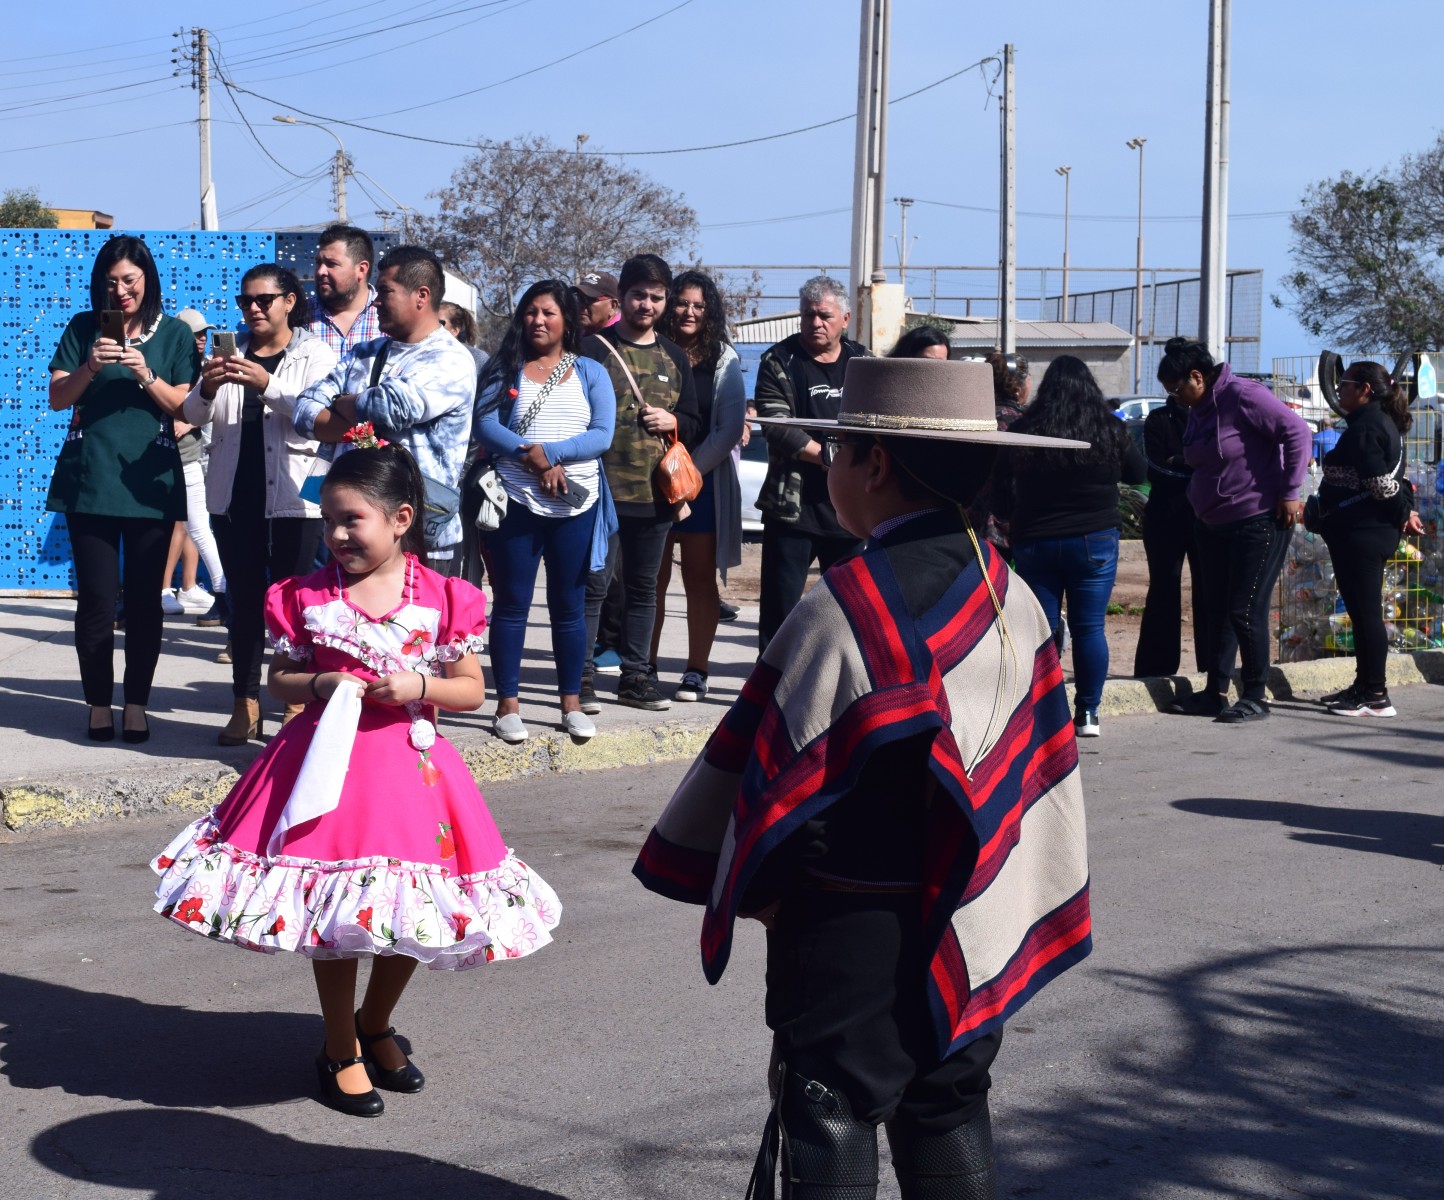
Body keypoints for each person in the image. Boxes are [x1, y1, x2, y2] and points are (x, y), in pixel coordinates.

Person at [633, 357, 1092, 1199]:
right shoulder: (1014, 594)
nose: (832, 466)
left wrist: (764, 890)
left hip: (852, 920)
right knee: (949, 1095)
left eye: (841, 450)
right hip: (974, 907)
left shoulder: (848, 603)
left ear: (874, 465)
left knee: (831, 1102)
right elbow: (1033, 776)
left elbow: (786, 784)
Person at [150, 440, 561, 1119]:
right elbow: (280, 680)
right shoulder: (306, 595)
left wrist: (419, 685)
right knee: (336, 909)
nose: (337, 535)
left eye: (352, 520)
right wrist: (319, 682)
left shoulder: (444, 597)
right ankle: (339, 1045)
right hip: (324, 770)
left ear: (400, 519)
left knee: (416, 907)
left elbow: (470, 690)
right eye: (329, 521)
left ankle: (375, 1021)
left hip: (411, 774)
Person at [46, 234, 201, 744]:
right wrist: (91, 364)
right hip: (89, 479)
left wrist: (146, 373)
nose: (120, 291)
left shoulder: (174, 334)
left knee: (144, 601)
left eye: (129, 280)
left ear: (147, 279)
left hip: (150, 483)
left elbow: (186, 408)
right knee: (94, 599)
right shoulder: (83, 327)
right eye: (111, 282)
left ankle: (136, 704)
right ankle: (97, 703)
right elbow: (57, 398)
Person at [183, 265, 339, 744]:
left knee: (294, 607)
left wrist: (266, 384)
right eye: (245, 300)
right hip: (234, 496)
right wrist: (208, 385)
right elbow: (190, 413)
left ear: (289, 301)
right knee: (244, 604)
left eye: (263, 299)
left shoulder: (314, 353)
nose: (253, 308)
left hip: (294, 499)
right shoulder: (230, 351)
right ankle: (245, 704)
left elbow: (319, 415)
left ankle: (295, 704)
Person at [474, 281, 616, 744]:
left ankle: (570, 704)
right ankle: (507, 706)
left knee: (569, 607)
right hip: (516, 500)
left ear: (567, 321)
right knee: (511, 604)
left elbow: (602, 435)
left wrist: (551, 455)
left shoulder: (591, 371)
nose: (538, 320)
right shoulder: (505, 368)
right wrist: (530, 457)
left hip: (575, 503)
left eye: (548, 312)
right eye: (531, 312)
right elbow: (485, 425)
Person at [295, 245, 476, 574]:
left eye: (386, 291)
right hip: (350, 533)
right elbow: (304, 412)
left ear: (421, 295)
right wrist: (360, 420)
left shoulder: (451, 358)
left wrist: (342, 402)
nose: (375, 302)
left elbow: (393, 408)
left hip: (420, 538)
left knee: (416, 611)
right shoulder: (363, 353)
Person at [1157, 337, 1311, 723]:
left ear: (1197, 377)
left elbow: (1297, 432)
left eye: (1177, 389)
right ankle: (1216, 693)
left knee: (1245, 609)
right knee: (1218, 611)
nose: (1176, 398)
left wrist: (1290, 492)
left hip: (1257, 520)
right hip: (1212, 524)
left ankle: (1256, 695)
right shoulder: (1199, 408)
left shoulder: (1243, 395)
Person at [992, 355, 1146, 736]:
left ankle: (1044, 713)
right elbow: (1139, 473)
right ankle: (1088, 713)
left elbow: (999, 488)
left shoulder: (1028, 428)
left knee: (1041, 630)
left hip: (1036, 540)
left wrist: (1011, 516)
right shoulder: (1109, 428)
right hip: (1095, 540)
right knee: (1089, 628)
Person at [580, 254, 702, 712]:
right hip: (599, 495)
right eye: (638, 295)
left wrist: (675, 420)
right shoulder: (591, 350)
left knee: (643, 590)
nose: (646, 305)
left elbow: (694, 421)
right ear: (621, 297)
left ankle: (636, 677)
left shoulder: (675, 356)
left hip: (655, 497)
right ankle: (580, 679)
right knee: (593, 588)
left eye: (656, 297)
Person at [754, 275, 872, 653]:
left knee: (849, 612)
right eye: (808, 315)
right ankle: (772, 681)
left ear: (845, 319)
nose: (815, 323)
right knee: (780, 613)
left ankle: (839, 679)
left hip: (850, 512)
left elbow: (880, 423)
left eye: (824, 315)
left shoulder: (863, 362)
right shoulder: (779, 360)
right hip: (793, 510)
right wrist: (828, 457)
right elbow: (776, 425)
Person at [651, 270, 746, 701]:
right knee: (648, 580)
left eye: (698, 305)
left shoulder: (723, 359)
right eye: (682, 303)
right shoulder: (652, 348)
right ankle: (643, 666)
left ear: (710, 312)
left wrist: (685, 477)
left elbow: (728, 430)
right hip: (648, 484)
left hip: (700, 485)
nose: (689, 312)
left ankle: (696, 671)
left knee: (699, 579)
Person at [1316, 361, 1422, 717]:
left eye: (1344, 383)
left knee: (1366, 616)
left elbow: (1380, 484)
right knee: (1362, 615)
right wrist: (1404, 512)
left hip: (1363, 533)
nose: (1339, 389)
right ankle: (1363, 686)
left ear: (1364, 389)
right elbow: (1394, 481)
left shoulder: (1368, 426)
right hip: (1364, 531)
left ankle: (1376, 695)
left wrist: (1401, 512)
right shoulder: (1379, 421)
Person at [1132, 393, 1225, 678]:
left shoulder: (1215, 417)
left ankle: (1213, 668)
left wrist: (1180, 461)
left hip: (1205, 516)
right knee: (1163, 589)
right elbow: (1155, 468)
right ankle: (1155, 669)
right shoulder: (1158, 419)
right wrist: (1196, 467)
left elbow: (1222, 463)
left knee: (1209, 591)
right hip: (1165, 518)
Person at [172, 309, 227, 626]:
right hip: (175, 458)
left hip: (196, 456)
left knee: (197, 528)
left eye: (204, 333)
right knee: (185, 528)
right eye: (195, 334)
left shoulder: (206, 366)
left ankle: (220, 589)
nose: (201, 339)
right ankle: (183, 589)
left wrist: (186, 420)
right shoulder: (173, 363)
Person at [309, 225, 379, 356]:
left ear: (361, 270)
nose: (320, 271)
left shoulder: (389, 316)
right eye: (318, 263)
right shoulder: (301, 315)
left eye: (331, 264)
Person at [573, 270, 621, 336]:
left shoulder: (624, 336)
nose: (581, 305)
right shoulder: (575, 335)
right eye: (579, 298)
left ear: (613, 306)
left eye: (590, 299)